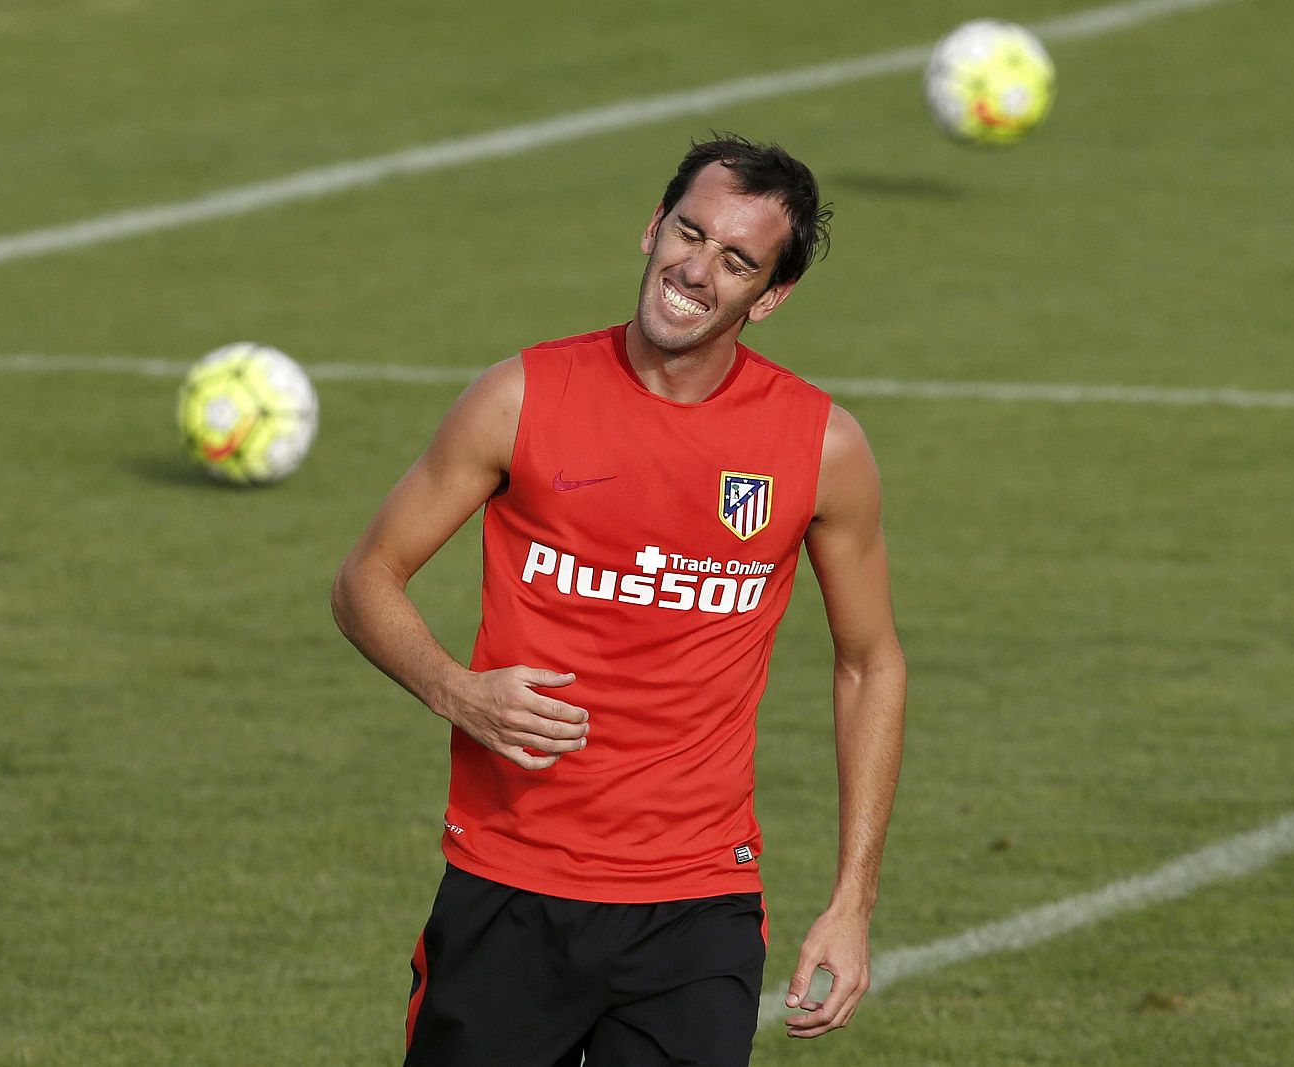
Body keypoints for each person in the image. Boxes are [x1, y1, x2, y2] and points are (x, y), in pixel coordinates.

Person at [331, 132, 906, 1067]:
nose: (696, 268)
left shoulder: (820, 447)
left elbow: (869, 661)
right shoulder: (521, 397)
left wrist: (852, 901)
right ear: (651, 227)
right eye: (689, 230)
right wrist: (456, 689)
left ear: (769, 297)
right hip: (508, 886)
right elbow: (364, 579)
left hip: (696, 908)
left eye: (736, 260)